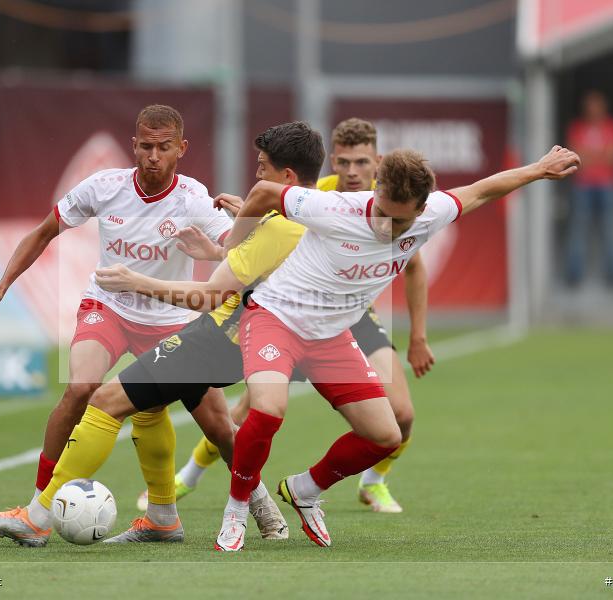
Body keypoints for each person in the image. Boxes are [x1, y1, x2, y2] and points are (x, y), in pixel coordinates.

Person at [213, 145, 581, 551]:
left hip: (331, 335)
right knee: (268, 409)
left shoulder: (434, 212)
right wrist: (232, 245)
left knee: (385, 435)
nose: (386, 227)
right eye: (382, 213)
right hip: (276, 317)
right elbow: (265, 191)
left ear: (422, 210)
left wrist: (539, 169)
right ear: (376, 191)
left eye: (400, 220)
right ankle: (237, 508)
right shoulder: (334, 207)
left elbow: (483, 189)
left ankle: (305, 489)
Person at [0, 105, 235, 547]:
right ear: (134, 145)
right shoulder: (104, 186)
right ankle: (36, 510)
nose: (153, 156)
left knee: (218, 426)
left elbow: (238, 251)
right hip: (108, 306)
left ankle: (253, 501)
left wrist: (217, 249)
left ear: (181, 149)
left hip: (169, 320)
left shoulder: (193, 198)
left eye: (163, 147)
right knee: (81, 388)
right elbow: (44, 231)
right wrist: (1, 287)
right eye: (145, 146)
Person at [157, 117, 433, 514]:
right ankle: (191, 474)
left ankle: (374, 483)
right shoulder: (317, 194)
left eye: (362, 162)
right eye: (344, 162)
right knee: (252, 409)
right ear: (333, 162)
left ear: (378, 163)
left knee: (401, 414)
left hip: (357, 313)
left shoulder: (394, 199)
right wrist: (242, 225)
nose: (352, 172)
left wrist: (418, 336)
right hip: (297, 310)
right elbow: (272, 232)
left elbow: (415, 266)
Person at [565, 90, 613, 288]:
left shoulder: (612, 126)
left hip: (608, 184)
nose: (593, 109)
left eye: (597, 105)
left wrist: (589, 156)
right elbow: (574, 158)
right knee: (578, 230)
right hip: (583, 185)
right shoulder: (577, 127)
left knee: (611, 229)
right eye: (590, 105)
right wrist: (601, 154)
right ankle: (574, 276)